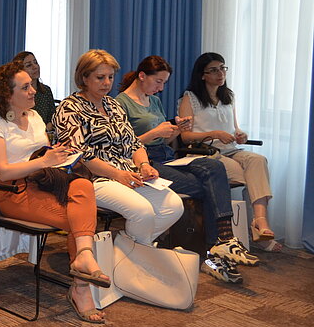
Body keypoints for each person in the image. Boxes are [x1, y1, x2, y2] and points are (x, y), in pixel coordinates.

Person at [0, 61, 109, 323]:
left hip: (43, 183)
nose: (33, 90)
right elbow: (3, 171)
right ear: (7, 94)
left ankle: (83, 260)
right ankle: (81, 287)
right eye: (25, 87)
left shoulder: (35, 118)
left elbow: (43, 156)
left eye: (32, 85)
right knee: (80, 221)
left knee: (83, 186)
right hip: (12, 192)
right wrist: (44, 161)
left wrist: (59, 155)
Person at [116, 56, 256, 283]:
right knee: (210, 187)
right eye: (158, 82)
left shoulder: (154, 101)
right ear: (142, 76)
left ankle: (223, 242)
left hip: (165, 157)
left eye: (164, 83)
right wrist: (155, 133)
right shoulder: (120, 103)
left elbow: (167, 141)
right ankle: (217, 247)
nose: (161, 88)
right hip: (144, 163)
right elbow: (121, 146)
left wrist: (175, 131)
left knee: (214, 166)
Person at [53, 50, 183, 245]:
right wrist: (117, 174)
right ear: (84, 78)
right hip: (93, 179)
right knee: (143, 211)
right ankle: (136, 252)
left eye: (110, 77)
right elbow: (79, 155)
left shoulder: (113, 106)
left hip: (127, 174)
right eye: (100, 77)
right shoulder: (69, 107)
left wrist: (144, 165)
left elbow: (133, 143)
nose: (107, 83)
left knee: (173, 206)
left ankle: (128, 248)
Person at [179, 52, 280, 252]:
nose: (221, 74)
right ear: (202, 75)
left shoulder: (229, 96)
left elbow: (234, 127)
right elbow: (185, 137)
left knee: (258, 161)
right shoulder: (190, 98)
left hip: (230, 150)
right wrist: (214, 134)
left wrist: (240, 134)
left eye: (223, 68)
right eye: (214, 70)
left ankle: (260, 221)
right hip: (205, 154)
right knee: (252, 177)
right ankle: (256, 229)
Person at [13, 51, 56, 124]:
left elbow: (52, 118)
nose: (35, 67)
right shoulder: (17, 93)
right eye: (29, 65)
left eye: (35, 62)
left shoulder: (46, 90)